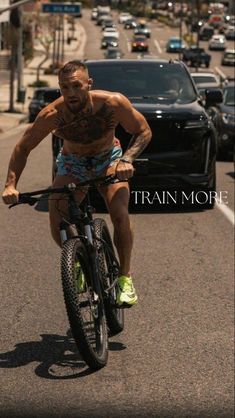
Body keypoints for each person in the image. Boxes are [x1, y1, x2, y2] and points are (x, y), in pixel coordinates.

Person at [2, 60, 152, 307]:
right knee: (57, 218)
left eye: (76, 86)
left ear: (89, 84)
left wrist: (127, 159)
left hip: (109, 159)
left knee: (120, 214)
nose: (70, 93)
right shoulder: (52, 115)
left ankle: (125, 278)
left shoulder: (112, 103)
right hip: (73, 163)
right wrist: (10, 185)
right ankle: (80, 260)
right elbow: (23, 147)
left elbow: (143, 130)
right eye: (64, 87)